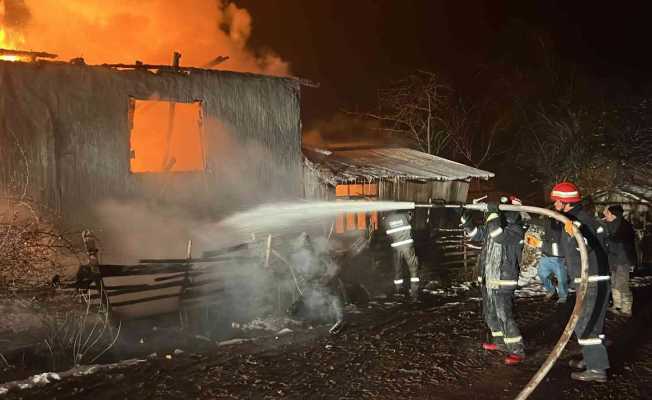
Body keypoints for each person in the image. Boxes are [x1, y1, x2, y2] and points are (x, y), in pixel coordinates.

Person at [550, 182, 610, 383]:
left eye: (556, 201)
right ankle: (591, 358)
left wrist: (576, 235)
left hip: (591, 280)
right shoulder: (579, 220)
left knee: (584, 324)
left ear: (564, 202)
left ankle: (597, 369)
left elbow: (585, 248)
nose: (554, 204)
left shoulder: (580, 223)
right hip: (593, 278)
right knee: (593, 323)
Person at [461, 196, 525, 365]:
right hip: (489, 278)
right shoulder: (494, 225)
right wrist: (464, 216)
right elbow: (475, 233)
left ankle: (517, 350)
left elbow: (497, 235)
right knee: (490, 314)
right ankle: (500, 343)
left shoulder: (515, 229)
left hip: (504, 279)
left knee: (504, 315)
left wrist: (492, 211)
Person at [602, 205, 636, 317]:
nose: (604, 215)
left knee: (622, 284)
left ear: (613, 214)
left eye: (606, 213)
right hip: (614, 260)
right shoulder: (610, 224)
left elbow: (618, 241)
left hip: (623, 260)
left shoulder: (624, 226)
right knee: (614, 283)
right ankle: (617, 306)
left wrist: (606, 238)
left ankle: (626, 309)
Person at [382, 210, 421, 301]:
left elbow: (388, 235)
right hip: (407, 246)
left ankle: (399, 291)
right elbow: (411, 215)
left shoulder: (386, 220)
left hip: (396, 247)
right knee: (413, 268)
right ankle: (414, 294)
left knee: (398, 269)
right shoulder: (404, 215)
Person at [538, 215, 569, 304]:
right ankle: (551, 290)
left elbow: (562, 244)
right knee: (542, 274)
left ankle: (563, 297)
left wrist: (541, 244)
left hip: (559, 258)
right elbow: (534, 220)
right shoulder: (548, 221)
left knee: (561, 280)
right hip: (546, 256)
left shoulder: (565, 223)